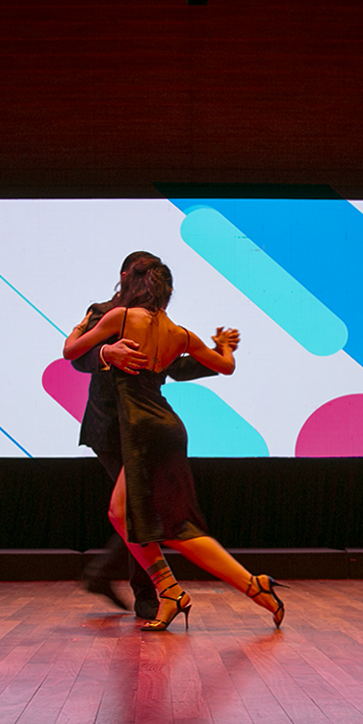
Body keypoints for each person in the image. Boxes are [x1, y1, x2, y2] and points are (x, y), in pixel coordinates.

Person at [64, 256, 287, 630]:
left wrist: (81, 336)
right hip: (157, 426)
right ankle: (171, 591)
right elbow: (224, 366)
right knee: (124, 515)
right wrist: (224, 347)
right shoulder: (178, 333)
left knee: (167, 527)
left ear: (130, 282)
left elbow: (70, 351)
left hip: (141, 429)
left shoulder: (117, 317)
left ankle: (248, 584)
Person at [70, 252, 227, 619]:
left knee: (140, 510)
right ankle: (146, 595)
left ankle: (119, 580)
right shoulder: (104, 311)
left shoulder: (157, 322)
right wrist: (106, 351)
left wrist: (217, 358)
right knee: (139, 511)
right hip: (109, 425)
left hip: (143, 425)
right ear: (126, 276)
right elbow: (78, 357)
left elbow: (176, 367)